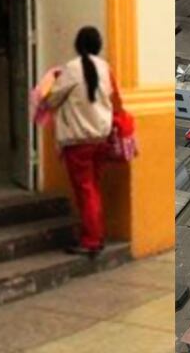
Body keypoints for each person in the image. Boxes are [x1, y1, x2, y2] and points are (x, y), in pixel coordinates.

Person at [45, 26, 118, 256]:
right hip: (101, 137)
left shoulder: (71, 69)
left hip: (78, 141)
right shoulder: (105, 68)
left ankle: (91, 240)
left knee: (85, 191)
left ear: (78, 45)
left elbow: (52, 99)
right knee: (93, 188)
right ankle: (96, 234)